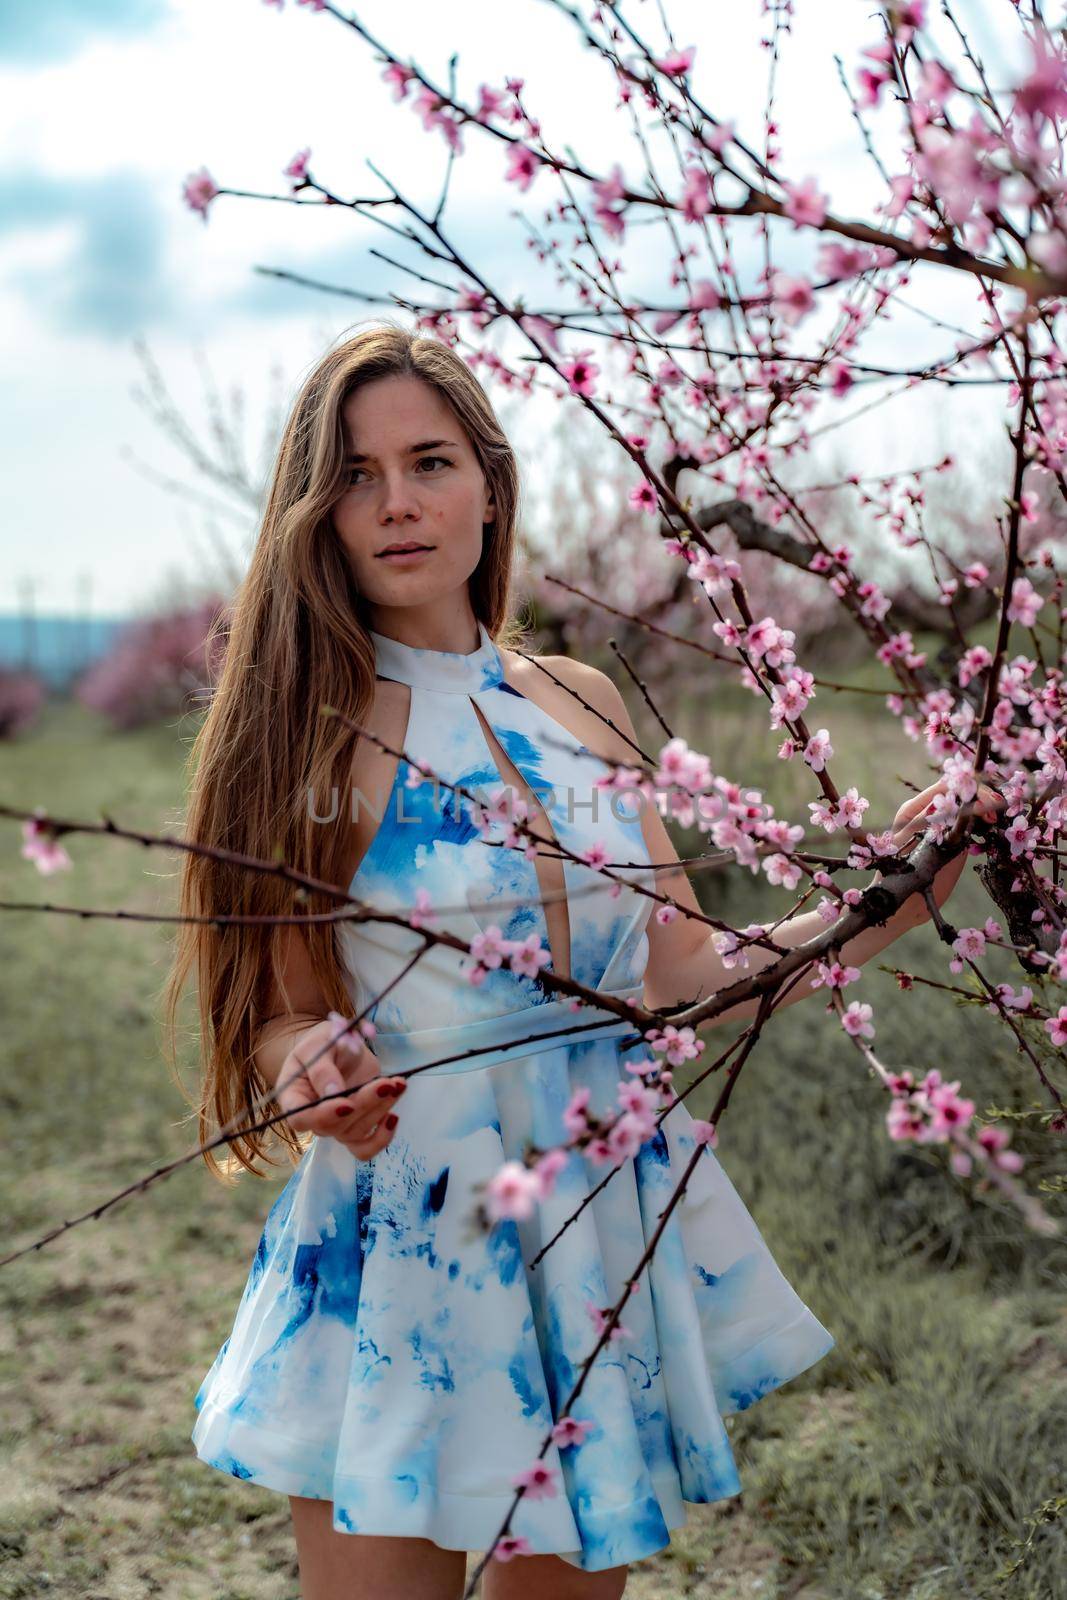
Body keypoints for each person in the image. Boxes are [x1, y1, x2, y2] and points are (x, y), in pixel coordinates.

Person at [167, 320, 992, 1600]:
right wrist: (304, 1066)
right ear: (314, 512)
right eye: (354, 474)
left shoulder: (579, 702)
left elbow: (676, 977)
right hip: (410, 1241)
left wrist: (892, 893)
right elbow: (280, 1020)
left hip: (591, 1223)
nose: (395, 503)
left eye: (428, 461)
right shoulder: (308, 731)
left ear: (489, 485)